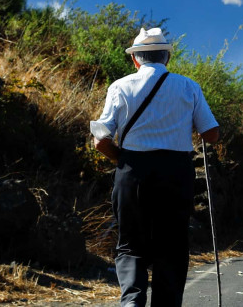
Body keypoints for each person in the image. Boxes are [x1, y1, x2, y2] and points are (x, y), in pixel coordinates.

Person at [91, 27, 220, 307]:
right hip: (176, 172)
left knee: (131, 245)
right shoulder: (188, 86)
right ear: (166, 58)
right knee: (171, 246)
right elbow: (211, 134)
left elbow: (100, 141)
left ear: (135, 59)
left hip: (132, 172)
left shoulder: (120, 87)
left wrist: (124, 160)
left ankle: (131, 304)